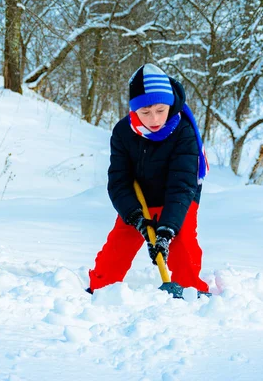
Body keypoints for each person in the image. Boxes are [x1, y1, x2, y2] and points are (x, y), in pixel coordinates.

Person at [88, 63, 209, 294]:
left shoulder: (184, 131)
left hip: (178, 197)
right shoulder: (123, 132)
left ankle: (192, 292)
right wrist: (136, 218)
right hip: (139, 199)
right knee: (118, 245)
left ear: (170, 105)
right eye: (145, 112)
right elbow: (118, 181)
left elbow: (182, 184)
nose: (154, 119)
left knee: (182, 243)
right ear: (134, 110)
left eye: (161, 110)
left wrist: (166, 231)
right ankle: (100, 289)